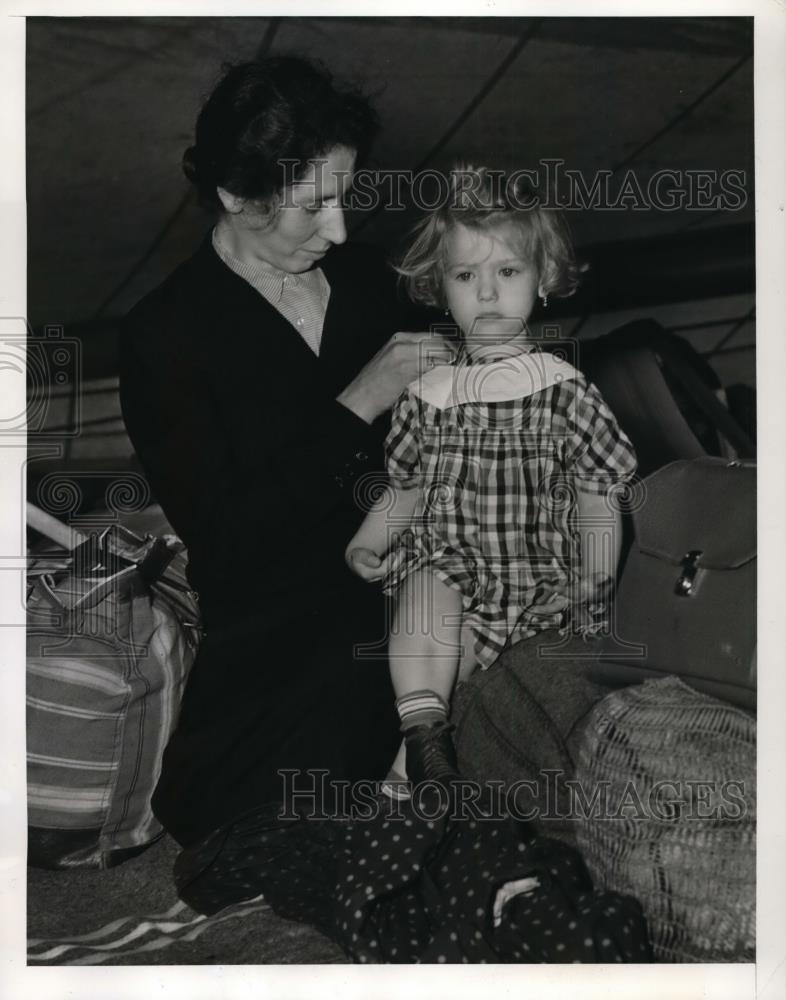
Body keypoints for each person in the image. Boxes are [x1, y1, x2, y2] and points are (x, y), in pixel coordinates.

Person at [119, 55, 453, 912]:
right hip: (285, 641)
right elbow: (229, 548)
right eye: (314, 205)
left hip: (413, 596)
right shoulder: (168, 336)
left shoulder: (370, 282)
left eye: (346, 196)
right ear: (236, 195)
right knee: (292, 822)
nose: (339, 230)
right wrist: (360, 403)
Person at [344, 165, 638, 796]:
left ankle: (418, 772)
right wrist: (367, 542)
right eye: (465, 275)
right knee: (425, 595)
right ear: (438, 286)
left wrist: (598, 570)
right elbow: (405, 489)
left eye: (507, 272)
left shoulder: (563, 390)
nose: (486, 294)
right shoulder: (427, 394)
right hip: (457, 577)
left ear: (543, 279)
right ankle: (421, 738)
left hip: (543, 583)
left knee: (516, 705)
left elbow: (599, 490)